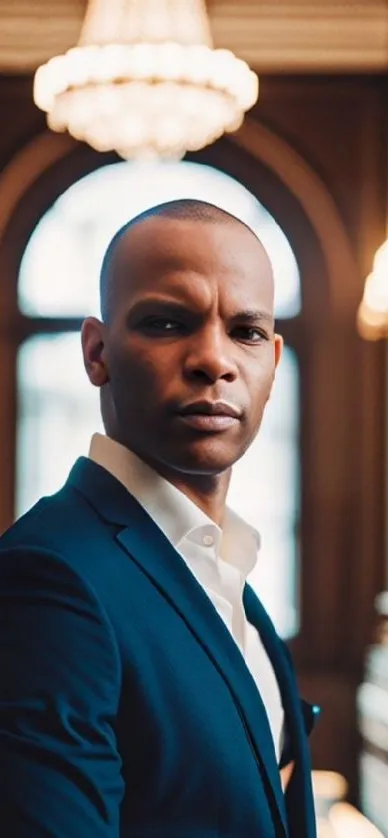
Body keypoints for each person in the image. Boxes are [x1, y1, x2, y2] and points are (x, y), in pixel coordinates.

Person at [0, 198, 319, 837]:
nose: (214, 360)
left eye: (246, 332)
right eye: (169, 323)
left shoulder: (227, 573)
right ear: (97, 352)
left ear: (273, 364)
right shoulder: (46, 579)